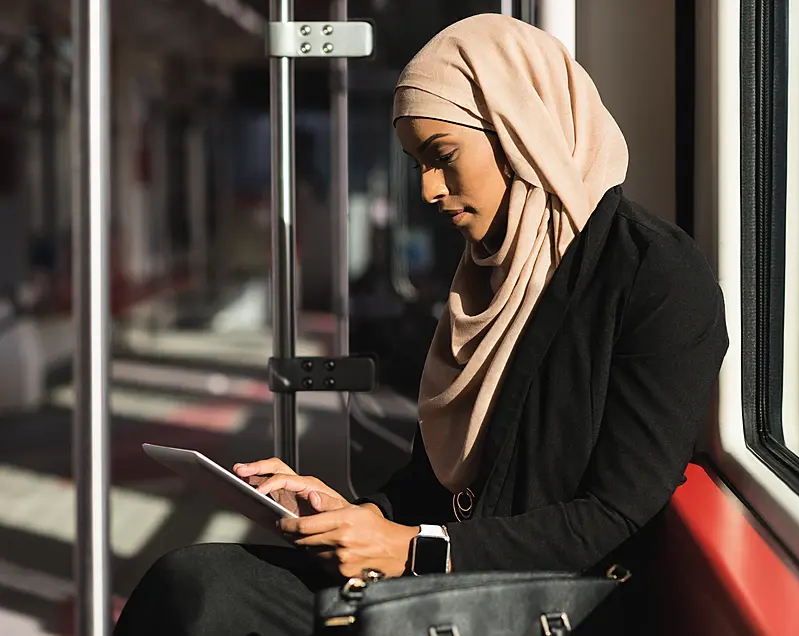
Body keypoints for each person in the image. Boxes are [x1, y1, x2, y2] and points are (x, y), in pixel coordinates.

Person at [113, 14, 728, 635]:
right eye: (418, 166)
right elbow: (436, 487)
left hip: (544, 606)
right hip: (439, 584)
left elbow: (615, 517)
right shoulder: (489, 277)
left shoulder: (654, 277)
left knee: (207, 599)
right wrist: (348, 515)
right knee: (188, 581)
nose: (431, 190)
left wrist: (411, 550)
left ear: (522, 131)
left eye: (443, 157)